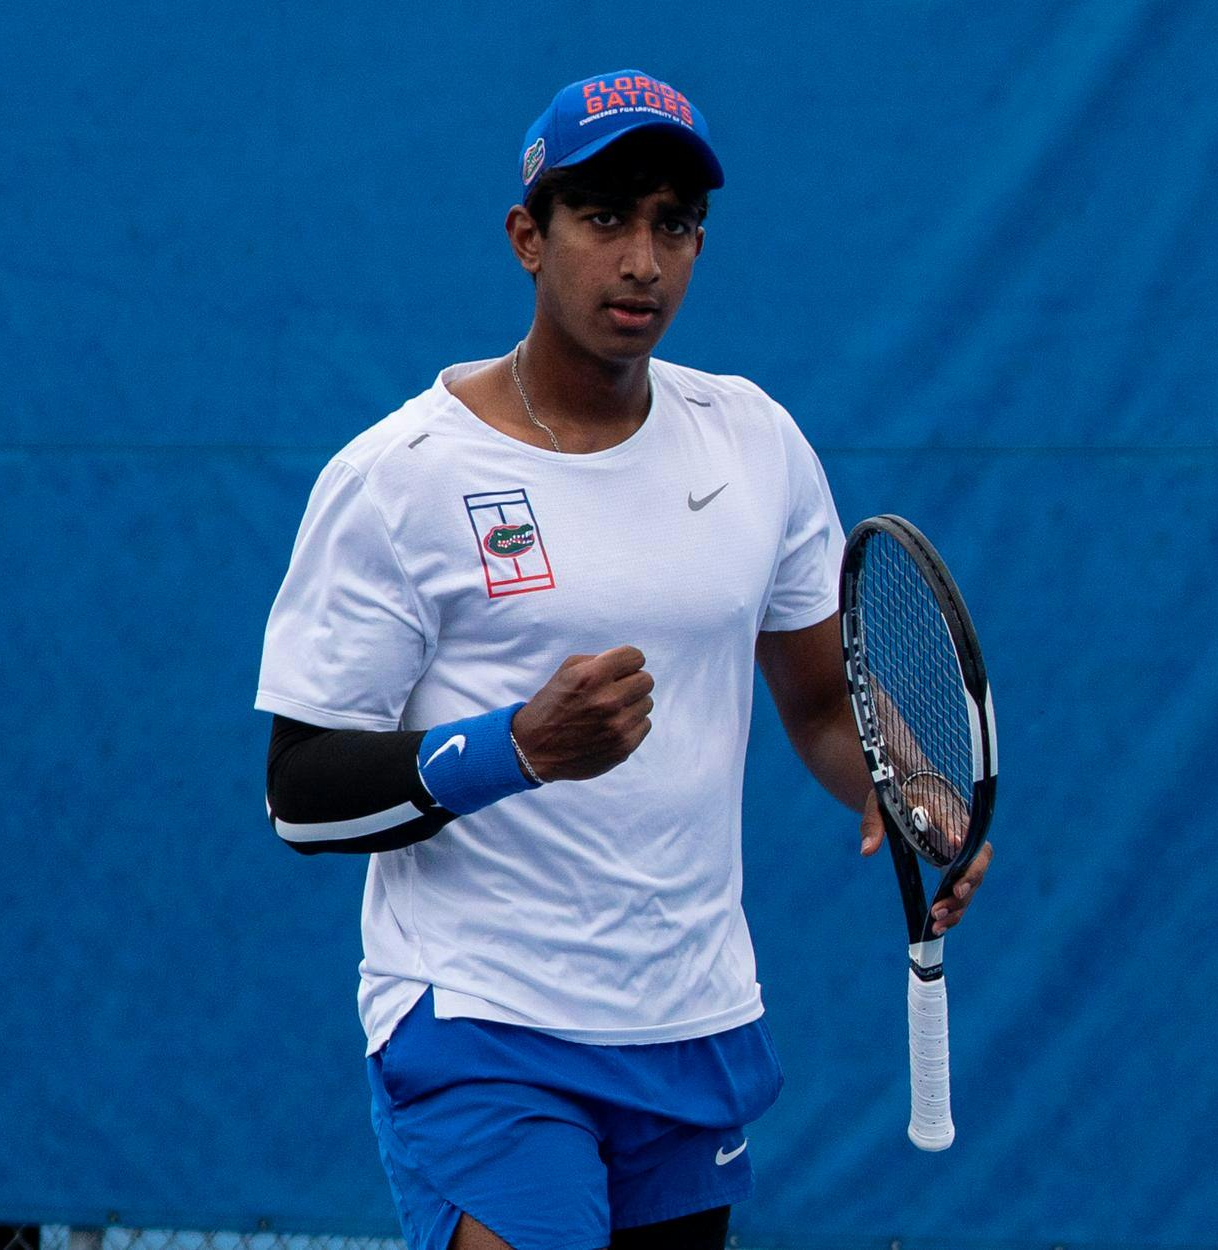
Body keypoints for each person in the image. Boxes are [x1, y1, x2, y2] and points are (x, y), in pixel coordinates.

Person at [255, 69, 993, 1250]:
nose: (643, 259)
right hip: (481, 1024)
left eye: (674, 224)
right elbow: (300, 793)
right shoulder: (398, 477)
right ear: (526, 239)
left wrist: (905, 793)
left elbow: (817, 702)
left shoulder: (752, 440)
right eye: (604, 219)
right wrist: (515, 749)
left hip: (687, 1018)